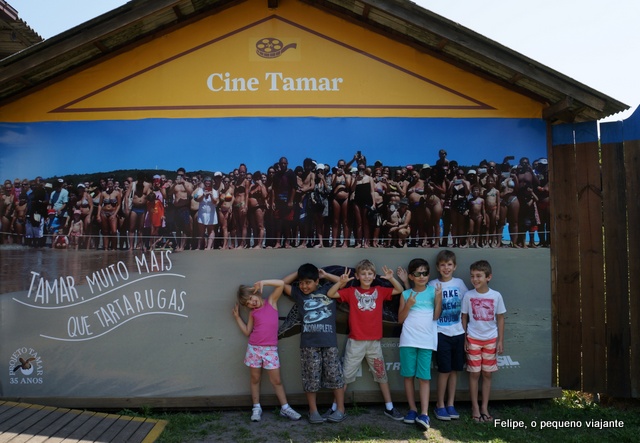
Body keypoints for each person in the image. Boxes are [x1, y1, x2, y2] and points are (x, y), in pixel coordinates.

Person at [327, 259, 405, 420]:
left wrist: (391, 278)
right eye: (363, 274)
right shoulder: (351, 291)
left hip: (374, 343)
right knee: (345, 376)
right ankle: (335, 407)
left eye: (370, 274)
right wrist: (341, 283)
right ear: (357, 276)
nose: (367, 276)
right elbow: (331, 294)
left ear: (374, 275)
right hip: (355, 342)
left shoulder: (380, 290)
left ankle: (389, 407)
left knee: (381, 375)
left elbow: (400, 290)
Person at [280, 264, 346, 424]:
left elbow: (344, 281)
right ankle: (313, 410)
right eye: (301, 282)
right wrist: (298, 273)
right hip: (308, 344)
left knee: (335, 376)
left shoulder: (328, 290)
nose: (304, 286)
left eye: (308, 282)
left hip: (329, 343)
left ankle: (341, 409)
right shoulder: (298, 294)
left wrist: (325, 275)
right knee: (311, 378)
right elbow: (282, 283)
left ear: (317, 281)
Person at [232, 280, 302, 422]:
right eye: (248, 303)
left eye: (251, 298)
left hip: (270, 350)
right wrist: (238, 318)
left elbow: (281, 284)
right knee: (255, 379)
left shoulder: (271, 302)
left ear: (256, 292)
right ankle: (256, 407)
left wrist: (263, 282)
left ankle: (285, 408)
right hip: (254, 349)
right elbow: (247, 332)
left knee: (276, 380)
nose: (252, 303)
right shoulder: (253, 313)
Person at [395, 258, 442, 430]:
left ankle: (424, 414)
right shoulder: (405, 294)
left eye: (424, 273)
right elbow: (400, 319)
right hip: (408, 341)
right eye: (417, 273)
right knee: (408, 376)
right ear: (411, 276)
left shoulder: (433, 291)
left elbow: (436, 316)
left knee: (424, 378)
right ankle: (412, 409)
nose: (422, 276)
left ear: (428, 275)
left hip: (427, 342)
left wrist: (438, 299)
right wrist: (408, 305)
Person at [461, 260, 506, 423]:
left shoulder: (496, 295)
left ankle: (484, 407)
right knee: (474, 374)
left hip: (491, 339)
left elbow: (500, 318)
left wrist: (500, 340)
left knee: (487, 374)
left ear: (489, 277)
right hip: (473, 339)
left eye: (479, 276)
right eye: (472, 276)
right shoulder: (468, 295)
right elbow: (464, 317)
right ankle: (474, 407)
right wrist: (465, 338)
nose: (475, 279)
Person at [427, 250, 468, 421]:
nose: (446, 268)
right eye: (442, 265)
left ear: (455, 266)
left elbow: (467, 307)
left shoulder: (459, 283)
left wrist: (466, 333)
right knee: (444, 370)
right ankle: (440, 404)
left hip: (458, 333)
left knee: (455, 370)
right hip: (440, 333)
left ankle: (451, 403)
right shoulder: (432, 284)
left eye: (449, 264)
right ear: (437, 267)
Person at [170, 168, 194, 251]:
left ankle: (182, 246)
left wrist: (183, 183)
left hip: (185, 208)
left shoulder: (188, 184)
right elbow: (169, 193)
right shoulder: (175, 184)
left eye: (181, 175)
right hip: (176, 208)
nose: (180, 176)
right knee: (177, 228)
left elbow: (191, 193)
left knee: (185, 228)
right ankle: (178, 245)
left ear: (184, 175)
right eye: (178, 175)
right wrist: (174, 184)